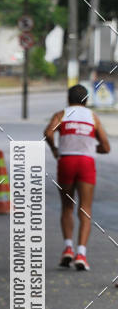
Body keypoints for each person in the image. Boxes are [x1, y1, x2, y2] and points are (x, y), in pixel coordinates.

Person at [44, 84, 110, 270]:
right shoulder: (93, 117)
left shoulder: (62, 115)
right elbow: (106, 147)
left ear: (68, 99)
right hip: (86, 163)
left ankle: (67, 249)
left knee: (67, 207)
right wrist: (90, 148)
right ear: (87, 100)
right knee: (85, 208)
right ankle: (81, 253)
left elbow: (48, 132)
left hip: (66, 161)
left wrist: (56, 149)